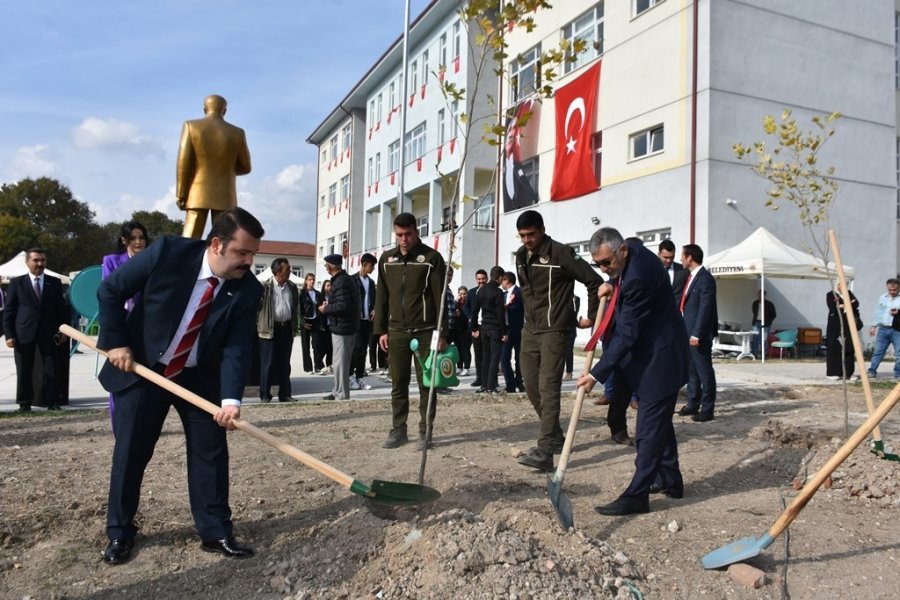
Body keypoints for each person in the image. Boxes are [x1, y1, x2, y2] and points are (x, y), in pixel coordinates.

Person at [96, 207, 264, 565]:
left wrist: (231, 400)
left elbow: (237, 347)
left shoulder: (247, 289)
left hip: (197, 374)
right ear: (217, 244)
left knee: (211, 451)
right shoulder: (169, 252)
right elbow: (111, 290)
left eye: (252, 254)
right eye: (242, 253)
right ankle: (120, 532)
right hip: (145, 367)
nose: (249, 262)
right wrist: (117, 342)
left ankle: (216, 531)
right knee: (132, 452)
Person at [576, 227, 689, 516]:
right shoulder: (633, 252)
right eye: (598, 263)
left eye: (607, 263)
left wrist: (596, 374)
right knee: (659, 423)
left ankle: (637, 495)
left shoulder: (637, 277)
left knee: (648, 430)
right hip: (654, 354)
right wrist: (613, 282)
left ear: (622, 250)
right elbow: (620, 280)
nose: (604, 268)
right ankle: (671, 481)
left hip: (660, 360)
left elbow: (627, 334)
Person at [514, 210, 601, 471]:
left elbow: (594, 282)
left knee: (547, 387)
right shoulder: (520, 256)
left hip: (555, 330)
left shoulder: (562, 253)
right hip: (530, 330)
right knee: (530, 385)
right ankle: (554, 435)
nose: (527, 240)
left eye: (531, 234)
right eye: (522, 236)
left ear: (541, 229)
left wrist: (591, 317)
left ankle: (545, 451)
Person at [374, 212, 447, 450]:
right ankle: (398, 430)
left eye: (408, 234)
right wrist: (381, 331)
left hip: (426, 332)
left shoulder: (432, 258)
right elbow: (381, 298)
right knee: (398, 382)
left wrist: (442, 333)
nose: (403, 239)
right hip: (396, 331)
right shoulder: (386, 260)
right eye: (399, 235)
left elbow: (440, 299)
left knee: (428, 383)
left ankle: (426, 432)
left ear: (417, 231)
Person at [176, 95, 252, 239]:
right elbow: (246, 167)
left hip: (197, 192)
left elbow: (183, 163)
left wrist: (181, 194)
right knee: (223, 239)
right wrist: (227, 169)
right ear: (224, 111)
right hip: (226, 194)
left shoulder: (191, 126)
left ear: (205, 109)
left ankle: (183, 261)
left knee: (189, 238)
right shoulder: (238, 133)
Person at [3, 248, 69, 412]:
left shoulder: (53, 282)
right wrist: (9, 335)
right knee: (24, 369)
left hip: (49, 332)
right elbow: (9, 311)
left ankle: (52, 401)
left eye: (42, 261)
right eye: (36, 260)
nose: (40, 264)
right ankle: (24, 403)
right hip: (23, 333)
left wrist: (64, 331)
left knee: (51, 368)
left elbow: (61, 309)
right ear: (28, 263)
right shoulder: (17, 283)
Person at [101, 221, 150, 426]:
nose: (138, 242)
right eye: (133, 238)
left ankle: (140, 421)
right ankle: (117, 421)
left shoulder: (153, 259)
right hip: (120, 326)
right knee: (119, 375)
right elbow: (110, 291)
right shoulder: (112, 260)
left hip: (146, 326)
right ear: (124, 240)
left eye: (141, 238)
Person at [677, 243, 718, 422]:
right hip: (688, 331)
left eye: (682, 256)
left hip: (698, 335)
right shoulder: (692, 276)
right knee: (691, 370)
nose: (680, 259)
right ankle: (693, 404)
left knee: (704, 371)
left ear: (690, 258)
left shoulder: (705, 278)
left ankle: (707, 408)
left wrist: (696, 334)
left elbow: (705, 309)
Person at [256, 257, 299, 402]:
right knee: (267, 364)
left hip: (286, 328)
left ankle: (285, 394)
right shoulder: (265, 286)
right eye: (287, 269)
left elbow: (294, 309)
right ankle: (265, 395)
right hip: (269, 330)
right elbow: (256, 309)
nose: (290, 271)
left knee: (284, 364)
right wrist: (259, 324)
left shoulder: (292, 287)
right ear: (277, 271)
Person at [319, 254, 360, 400]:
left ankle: (341, 394)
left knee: (341, 363)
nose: (325, 267)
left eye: (326, 265)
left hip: (343, 328)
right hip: (344, 327)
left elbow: (344, 306)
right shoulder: (343, 279)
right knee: (338, 362)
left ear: (330, 265)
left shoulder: (341, 281)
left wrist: (327, 308)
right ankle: (337, 391)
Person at [470, 266, 507, 394]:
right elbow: (500, 314)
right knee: (494, 358)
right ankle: (491, 386)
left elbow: (474, 311)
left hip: (484, 327)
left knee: (485, 357)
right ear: (500, 277)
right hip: (495, 328)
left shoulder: (481, 291)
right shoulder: (498, 292)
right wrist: (504, 332)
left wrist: (474, 327)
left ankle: (484, 385)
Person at [351, 253, 377, 390]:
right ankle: (350, 376)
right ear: (364, 264)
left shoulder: (371, 282)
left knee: (363, 350)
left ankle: (359, 377)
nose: (373, 269)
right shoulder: (352, 280)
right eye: (372, 266)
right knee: (356, 349)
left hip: (368, 320)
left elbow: (375, 300)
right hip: (356, 320)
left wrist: (375, 309)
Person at [825, 283, 861, 381]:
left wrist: (843, 305)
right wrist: (847, 304)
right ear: (837, 285)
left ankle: (849, 373)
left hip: (848, 324)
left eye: (845, 284)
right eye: (841, 284)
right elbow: (833, 307)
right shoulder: (831, 294)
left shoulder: (849, 293)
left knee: (849, 347)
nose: (843, 286)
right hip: (835, 324)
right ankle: (834, 372)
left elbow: (856, 303)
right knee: (835, 347)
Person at [867, 278, 900, 380]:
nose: (892, 292)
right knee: (878, 351)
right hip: (883, 329)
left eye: (894, 290)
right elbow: (879, 312)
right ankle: (872, 370)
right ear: (887, 287)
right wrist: (874, 326)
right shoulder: (883, 298)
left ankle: (898, 373)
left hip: (897, 330)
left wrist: (898, 312)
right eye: (890, 290)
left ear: (898, 288)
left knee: (899, 353)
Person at [500, 271, 524, 393]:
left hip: (518, 330)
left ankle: (519, 382)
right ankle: (510, 384)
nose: (501, 284)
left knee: (519, 359)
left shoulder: (520, 292)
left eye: (502, 281)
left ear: (507, 280)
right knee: (504, 358)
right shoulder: (503, 294)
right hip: (506, 331)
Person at [465, 269, 488, 387]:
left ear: (487, 278)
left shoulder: (492, 291)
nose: (481, 281)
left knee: (487, 354)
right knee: (478, 354)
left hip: (488, 327)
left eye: (483, 278)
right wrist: (471, 323)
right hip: (475, 327)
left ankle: (490, 379)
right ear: (476, 280)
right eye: (479, 279)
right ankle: (479, 378)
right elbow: (467, 307)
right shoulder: (472, 292)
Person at [299, 273, 325, 374]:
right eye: (310, 279)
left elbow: (321, 308)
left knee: (316, 344)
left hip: (315, 320)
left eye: (313, 279)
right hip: (305, 320)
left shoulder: (318, 294)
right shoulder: (302, 294)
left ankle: (318, 366)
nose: (312, 281)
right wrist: (302, 322)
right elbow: (299, 309)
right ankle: (308, 368)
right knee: (305, 346)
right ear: (306, 281)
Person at [657, 239, 688, 304]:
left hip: (677, 312)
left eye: (672, 257)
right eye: (665, 257)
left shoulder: (683, 270)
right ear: (659, 254)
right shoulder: (652, 270)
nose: (669, 260)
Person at [750, 289, 777, 358]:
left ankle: (763, 354)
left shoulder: (769, 304)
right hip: (756, 322)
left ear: (764, 295)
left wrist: (768, 322)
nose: (759, 296)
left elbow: (773, 314)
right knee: (755, 338)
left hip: (766, 324)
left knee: (764, 339)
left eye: (761, 294)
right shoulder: (755, 303)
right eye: (759, 294)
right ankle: (754, 354)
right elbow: (754, 312)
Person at [453, 286, 472, 375]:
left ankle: (466, 368)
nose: (462, 296)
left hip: (467, 329)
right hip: (458, 329)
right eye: (460, 294)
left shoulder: (469, 303)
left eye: (464, 294)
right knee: (458, 349)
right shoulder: (456, 304)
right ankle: (459, 367)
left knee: (466, 349)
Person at [319, 280, 334, 374]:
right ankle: (319, 364)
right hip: (323, 325)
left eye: (330, 285)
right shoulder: (320, 298)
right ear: (324, 287)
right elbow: (319, 311)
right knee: (322, 346)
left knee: (331, 347)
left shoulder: (333, 298)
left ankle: (329, 364)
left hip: (332, 325)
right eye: (328, 285)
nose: (329, 287)